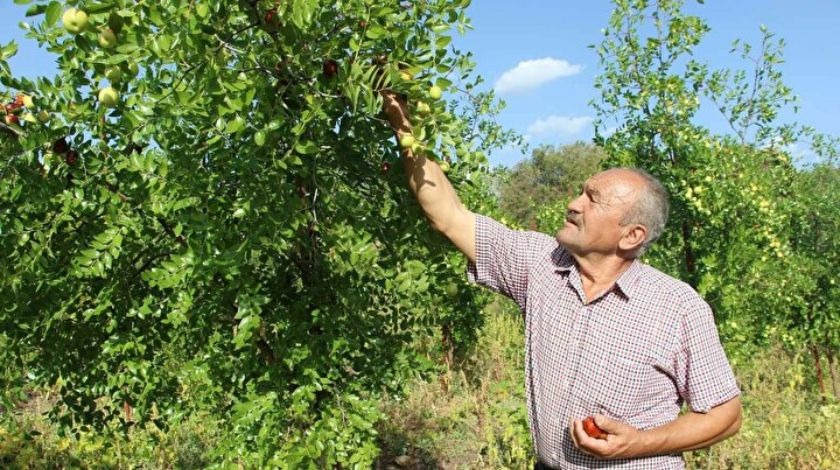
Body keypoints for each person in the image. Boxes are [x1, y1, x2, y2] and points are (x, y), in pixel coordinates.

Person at [381, 91, 743, 469]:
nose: (573, 203)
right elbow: (449, 215)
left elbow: (726, 416)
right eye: (580, 192)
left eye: (593, 199)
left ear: (631, 236)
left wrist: (637, 443)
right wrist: (402, 123)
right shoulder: (540, 265)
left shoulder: (676, 307)